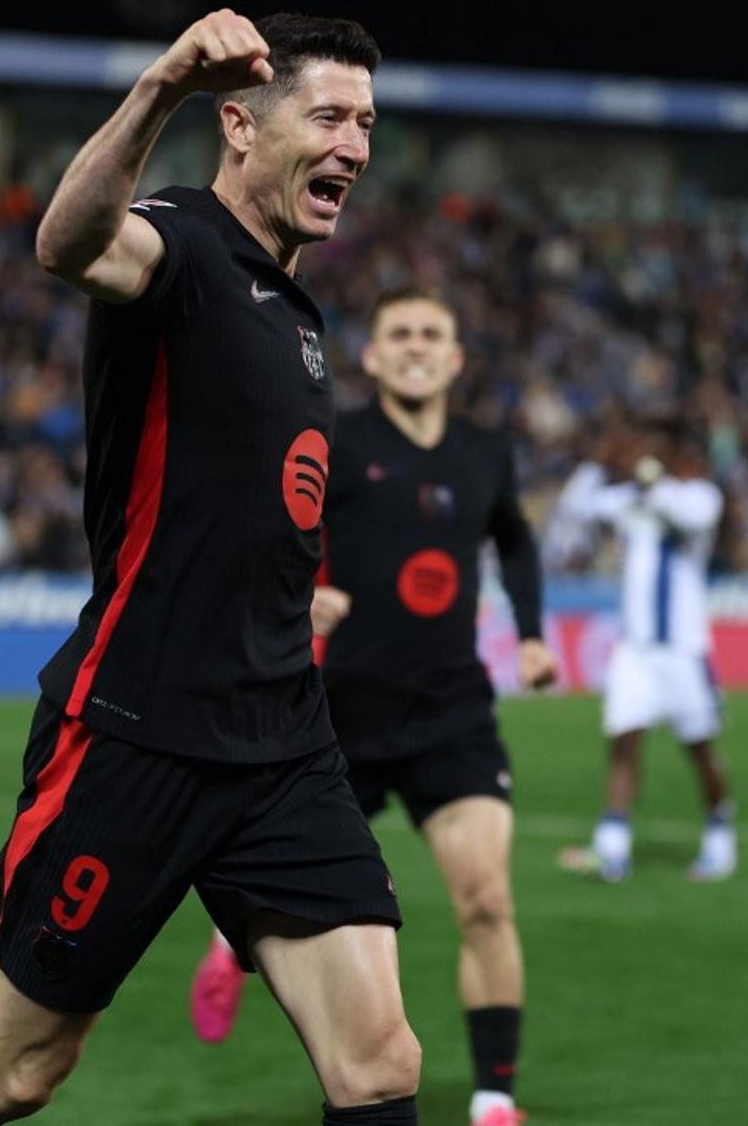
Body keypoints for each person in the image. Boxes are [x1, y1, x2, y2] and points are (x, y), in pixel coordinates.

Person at [0, 10, 424, 1126]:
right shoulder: (180, 241)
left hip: (282, 739)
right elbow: (68, 246)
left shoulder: (295, 311)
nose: (354, 146)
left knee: (378, 1064)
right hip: (139, 729)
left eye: (365, 123)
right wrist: (160, 86)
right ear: (240, 126)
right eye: (327, 116)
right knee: (17, 1070)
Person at [191, 287, 559, 1126]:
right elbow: (262, 526)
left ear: (455, 357)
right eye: (400, 333)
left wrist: (533, 635)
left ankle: (494, 1099)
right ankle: (224, 942)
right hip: (340, 716)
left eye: (432, 333)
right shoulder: (336, 438)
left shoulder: (484, 450)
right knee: (281, 886)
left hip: (452, 713)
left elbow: (515, 540)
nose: (416, 345)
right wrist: (299, 595)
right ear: (373, 354)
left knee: (486, 901)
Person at [556, 425, 736, 883]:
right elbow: (575, 506)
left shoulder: (698, 496)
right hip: (636, 651)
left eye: (652, 451)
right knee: (624, 742)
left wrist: (650, 479)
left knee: (699, 749)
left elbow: (690, 515)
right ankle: (612, 849)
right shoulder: (632, 500)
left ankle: (720, 834)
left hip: (683, 651)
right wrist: (597, 460)